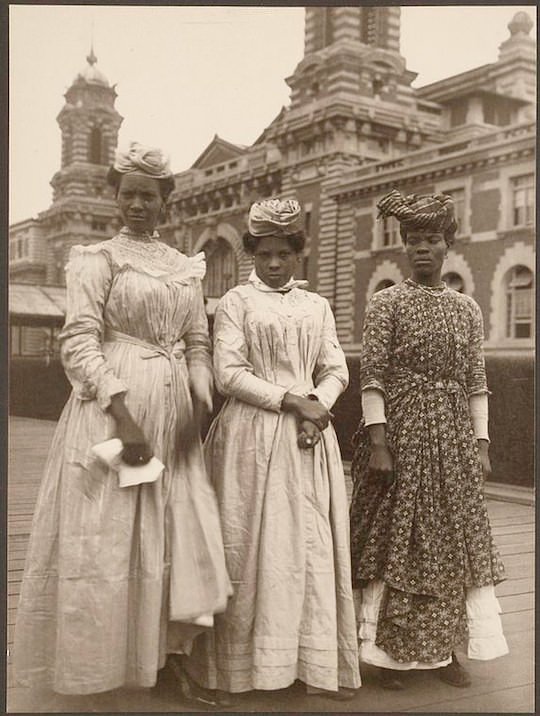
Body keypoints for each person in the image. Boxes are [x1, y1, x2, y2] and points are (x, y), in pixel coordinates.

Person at [12, 142, 231, 699]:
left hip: (173, 408)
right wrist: (121, 412)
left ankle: (169, 656)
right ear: (117, 197)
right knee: (108, 534)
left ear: (165, 201)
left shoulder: (186, 267)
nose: (137, 204)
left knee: (175, 536)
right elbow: (79, 340)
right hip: (114, 409)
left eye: (149, 195)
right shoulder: (96, 257)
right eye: (128, 193)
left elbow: (198, 341)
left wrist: (200, 394)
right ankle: (98, 661)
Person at [186, 198, 361, 703]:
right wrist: (291, 402)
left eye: (284, 253)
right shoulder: (237, 301)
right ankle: (244, 670)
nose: (275, 263)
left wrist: (317, 406)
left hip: (309, 439)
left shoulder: (317, 306)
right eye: (265, 254)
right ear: (252, 254)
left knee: (308, 546)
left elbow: (335, 369)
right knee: (253, 545)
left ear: (298, 254)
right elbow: (228, 374)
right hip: (252, 435)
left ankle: (311, 663)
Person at [349, 189, 508, 691]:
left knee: (450, 542)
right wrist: (378, 443)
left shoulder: (466, 309)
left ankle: (445, 652)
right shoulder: (386, 302)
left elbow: (476, 378)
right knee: (398, 539)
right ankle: (382, 654)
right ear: (403, 246)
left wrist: (480, 443)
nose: (423, 249)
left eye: (432, 240)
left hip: (452, 437)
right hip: (400, 431)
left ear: (447, 246)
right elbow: (372, 375)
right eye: (414, 240)